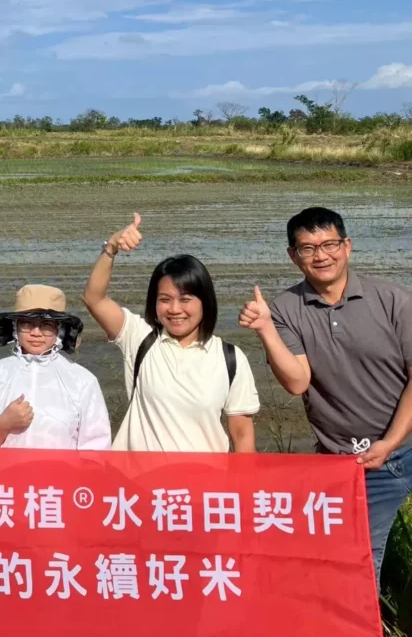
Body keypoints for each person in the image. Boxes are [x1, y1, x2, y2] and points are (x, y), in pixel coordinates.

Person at [239, 206, 411, 585]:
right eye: (307, 248)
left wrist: (391, 441)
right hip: (345, 461)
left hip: (402, 447)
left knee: (359, 557)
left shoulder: (394, 299)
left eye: (329, 244)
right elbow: (298, 382)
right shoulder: (284, 309)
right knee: (356, 557)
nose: (321, 255)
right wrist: (266, 329)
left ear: (347, 246)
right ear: (292, 255)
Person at [83, 214, 259, 452]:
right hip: (140, 484)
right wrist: (111, 248)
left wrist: (241, 487)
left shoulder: (230, 358)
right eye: (165, 300)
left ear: (205, 302)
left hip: (203, 484)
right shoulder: (139, 338)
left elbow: (242, 435)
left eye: (186, 299)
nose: (175, 310)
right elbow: (94, 298)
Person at [0, 284, 111, 450]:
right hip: (4, 475)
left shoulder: (82, 380)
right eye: (27, 324)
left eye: (46, 325)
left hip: (61, 475)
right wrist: (3, 424)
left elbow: (97, 448)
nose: (36, 332)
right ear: (15, 327)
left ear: (60, 330)